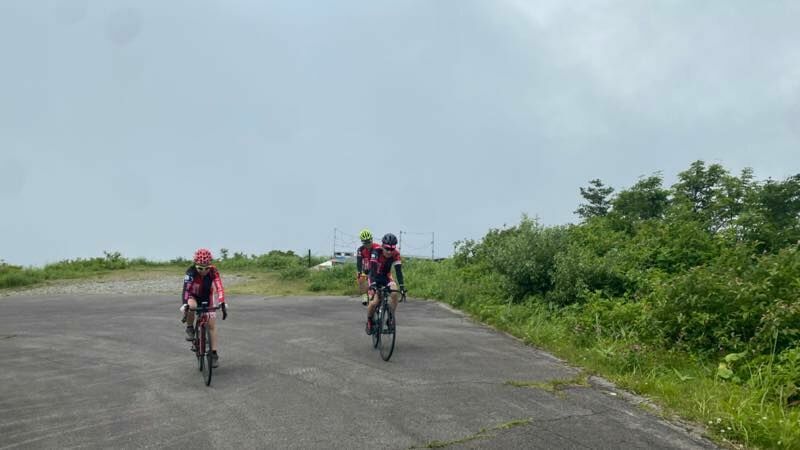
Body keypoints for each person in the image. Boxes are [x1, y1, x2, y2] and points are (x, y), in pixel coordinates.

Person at [181, 248, 228, 368]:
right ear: (195, 265)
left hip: (207, 296)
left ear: (210, 266)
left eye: (207, 268)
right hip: (193, 296)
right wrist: (185, 304)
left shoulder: (213, 271)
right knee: (192, 306)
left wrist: (222, 301)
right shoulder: (190, 272)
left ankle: (214, 354)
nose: (204, 271)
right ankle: (190, 328)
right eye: (200, 268)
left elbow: (219, 287)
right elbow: (186, 289)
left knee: (211, 325)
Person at [366, 233, 406, 335]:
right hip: (374, 276)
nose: (389, 252)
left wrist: (402, 287)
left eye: (392, 249)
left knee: (394, 293)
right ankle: (369, 321)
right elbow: (373, 269)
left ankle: (390, 318)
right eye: (387, 248)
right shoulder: (376, 251)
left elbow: (398, 271)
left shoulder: (396, 254)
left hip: (386, 277)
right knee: (374, 302)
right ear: (382, 246)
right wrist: (373, 285)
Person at [355, 229, 381, 306]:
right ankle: (364, 296)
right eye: (365, 242)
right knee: (360, 277)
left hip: (377, 268)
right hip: (366, 268)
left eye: (369, 241)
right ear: (362, 242)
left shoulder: (377, 247)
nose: (368, 244)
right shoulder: (360, 249)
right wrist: (359, 271)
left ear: (371, 239)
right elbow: (359, 262)